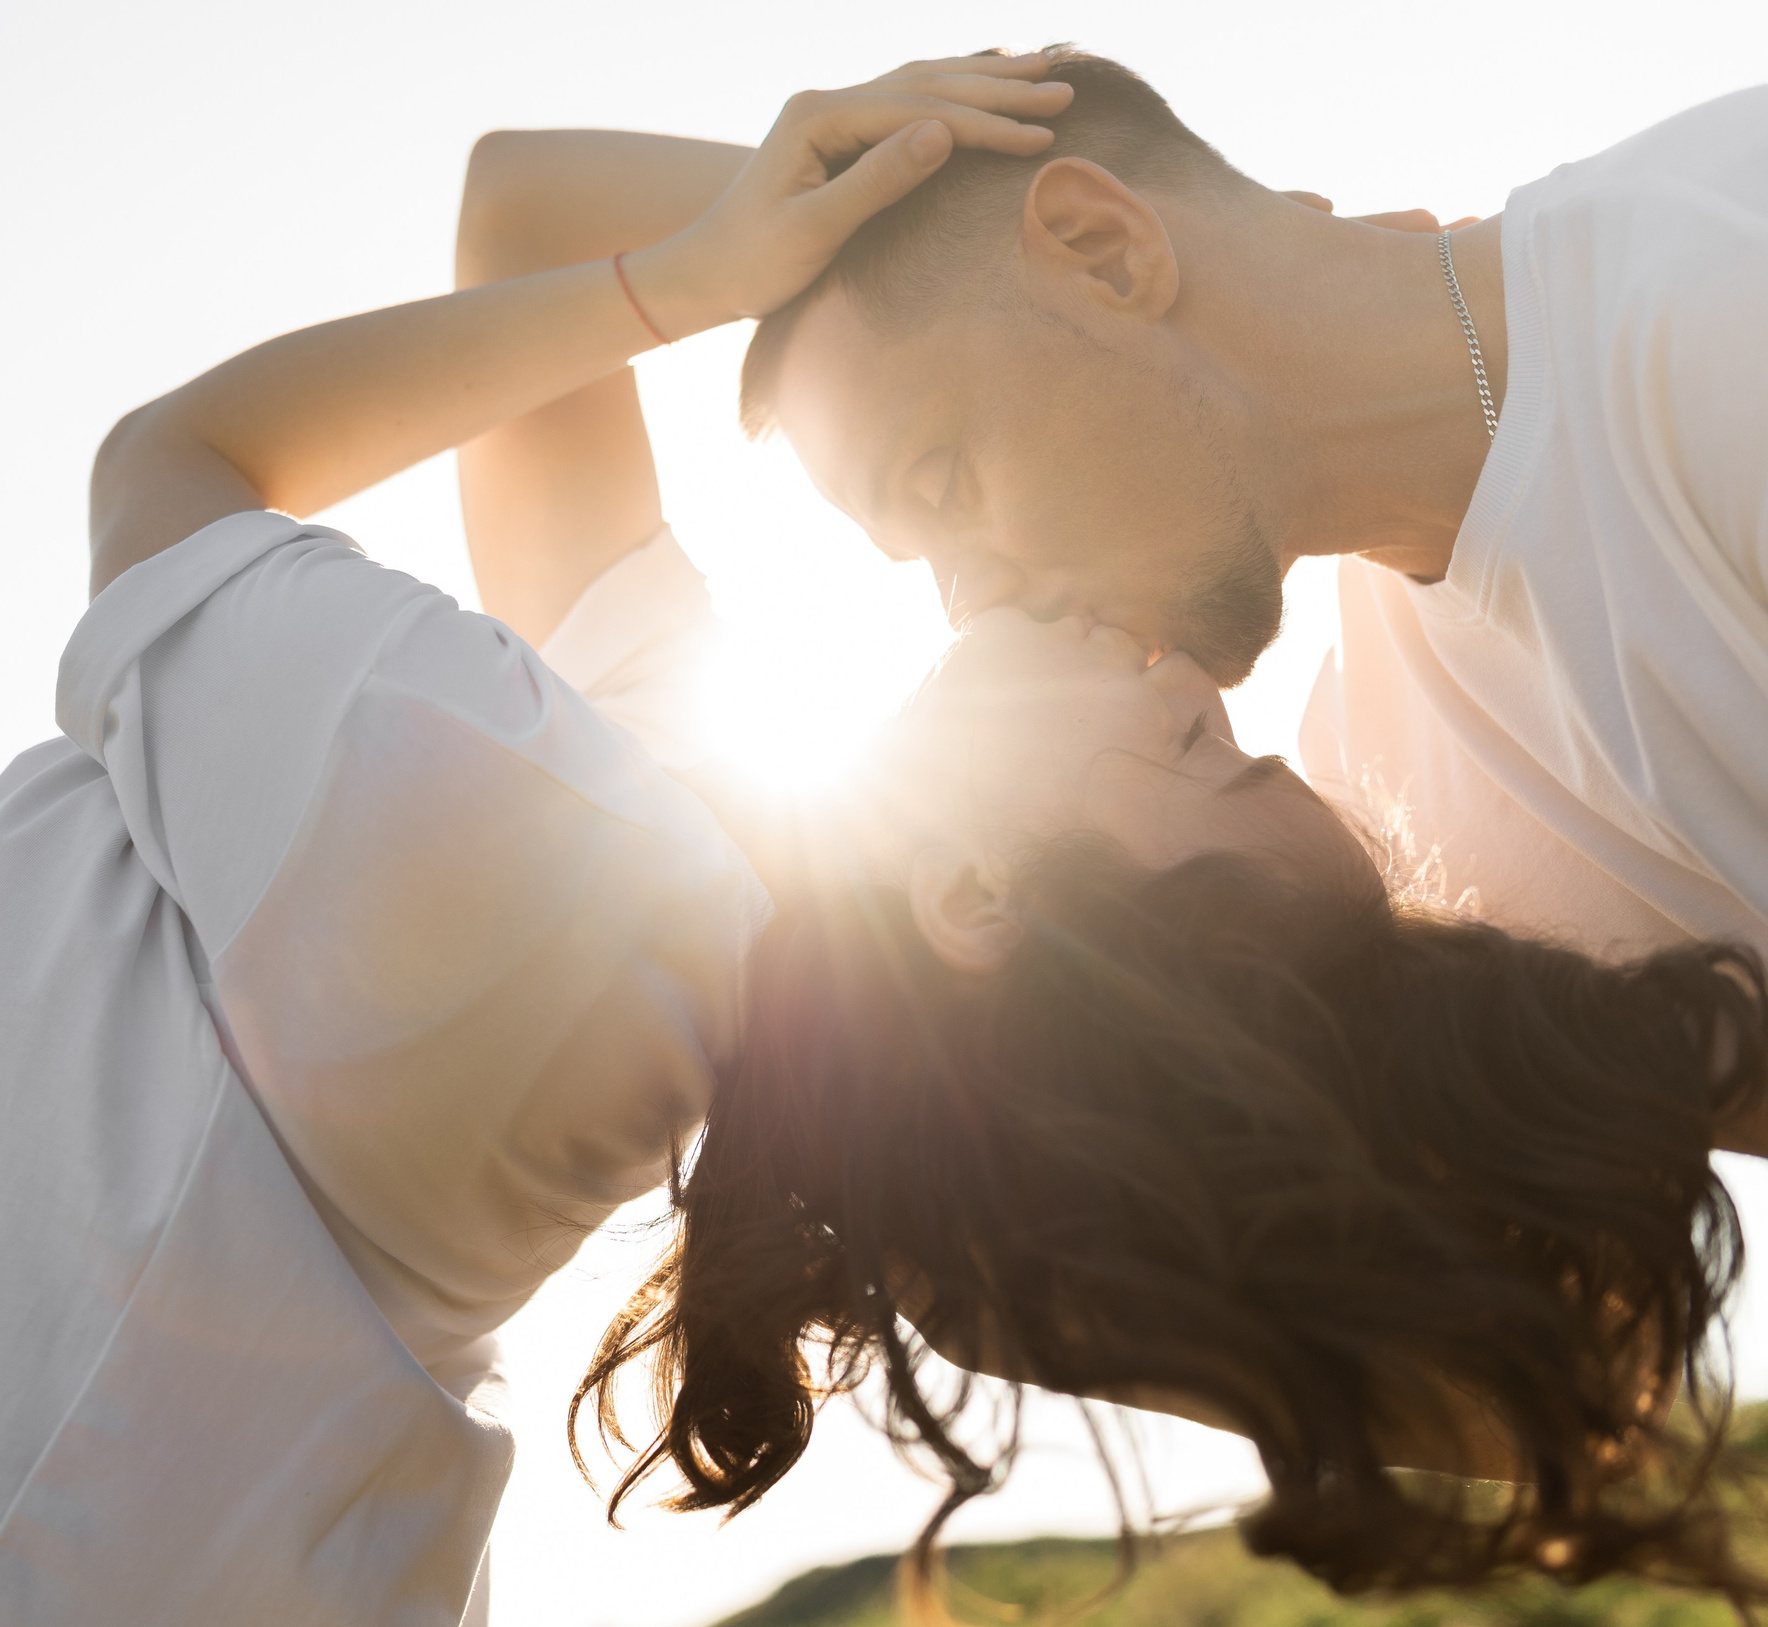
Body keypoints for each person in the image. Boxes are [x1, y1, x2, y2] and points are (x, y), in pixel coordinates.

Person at [0, 58, 1759, 1627]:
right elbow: (516, 198)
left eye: (1187, 749)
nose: (1156, 661)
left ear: (990, 893)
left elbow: (168, 467)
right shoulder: (699, 899)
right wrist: (953, 247)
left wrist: (724, 268)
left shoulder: (532, 867)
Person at [732, 46, 1768, 964]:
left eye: (938, 482)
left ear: (1103, 250)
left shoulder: (1727, 310)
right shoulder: (1362, 764)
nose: (971, 605)